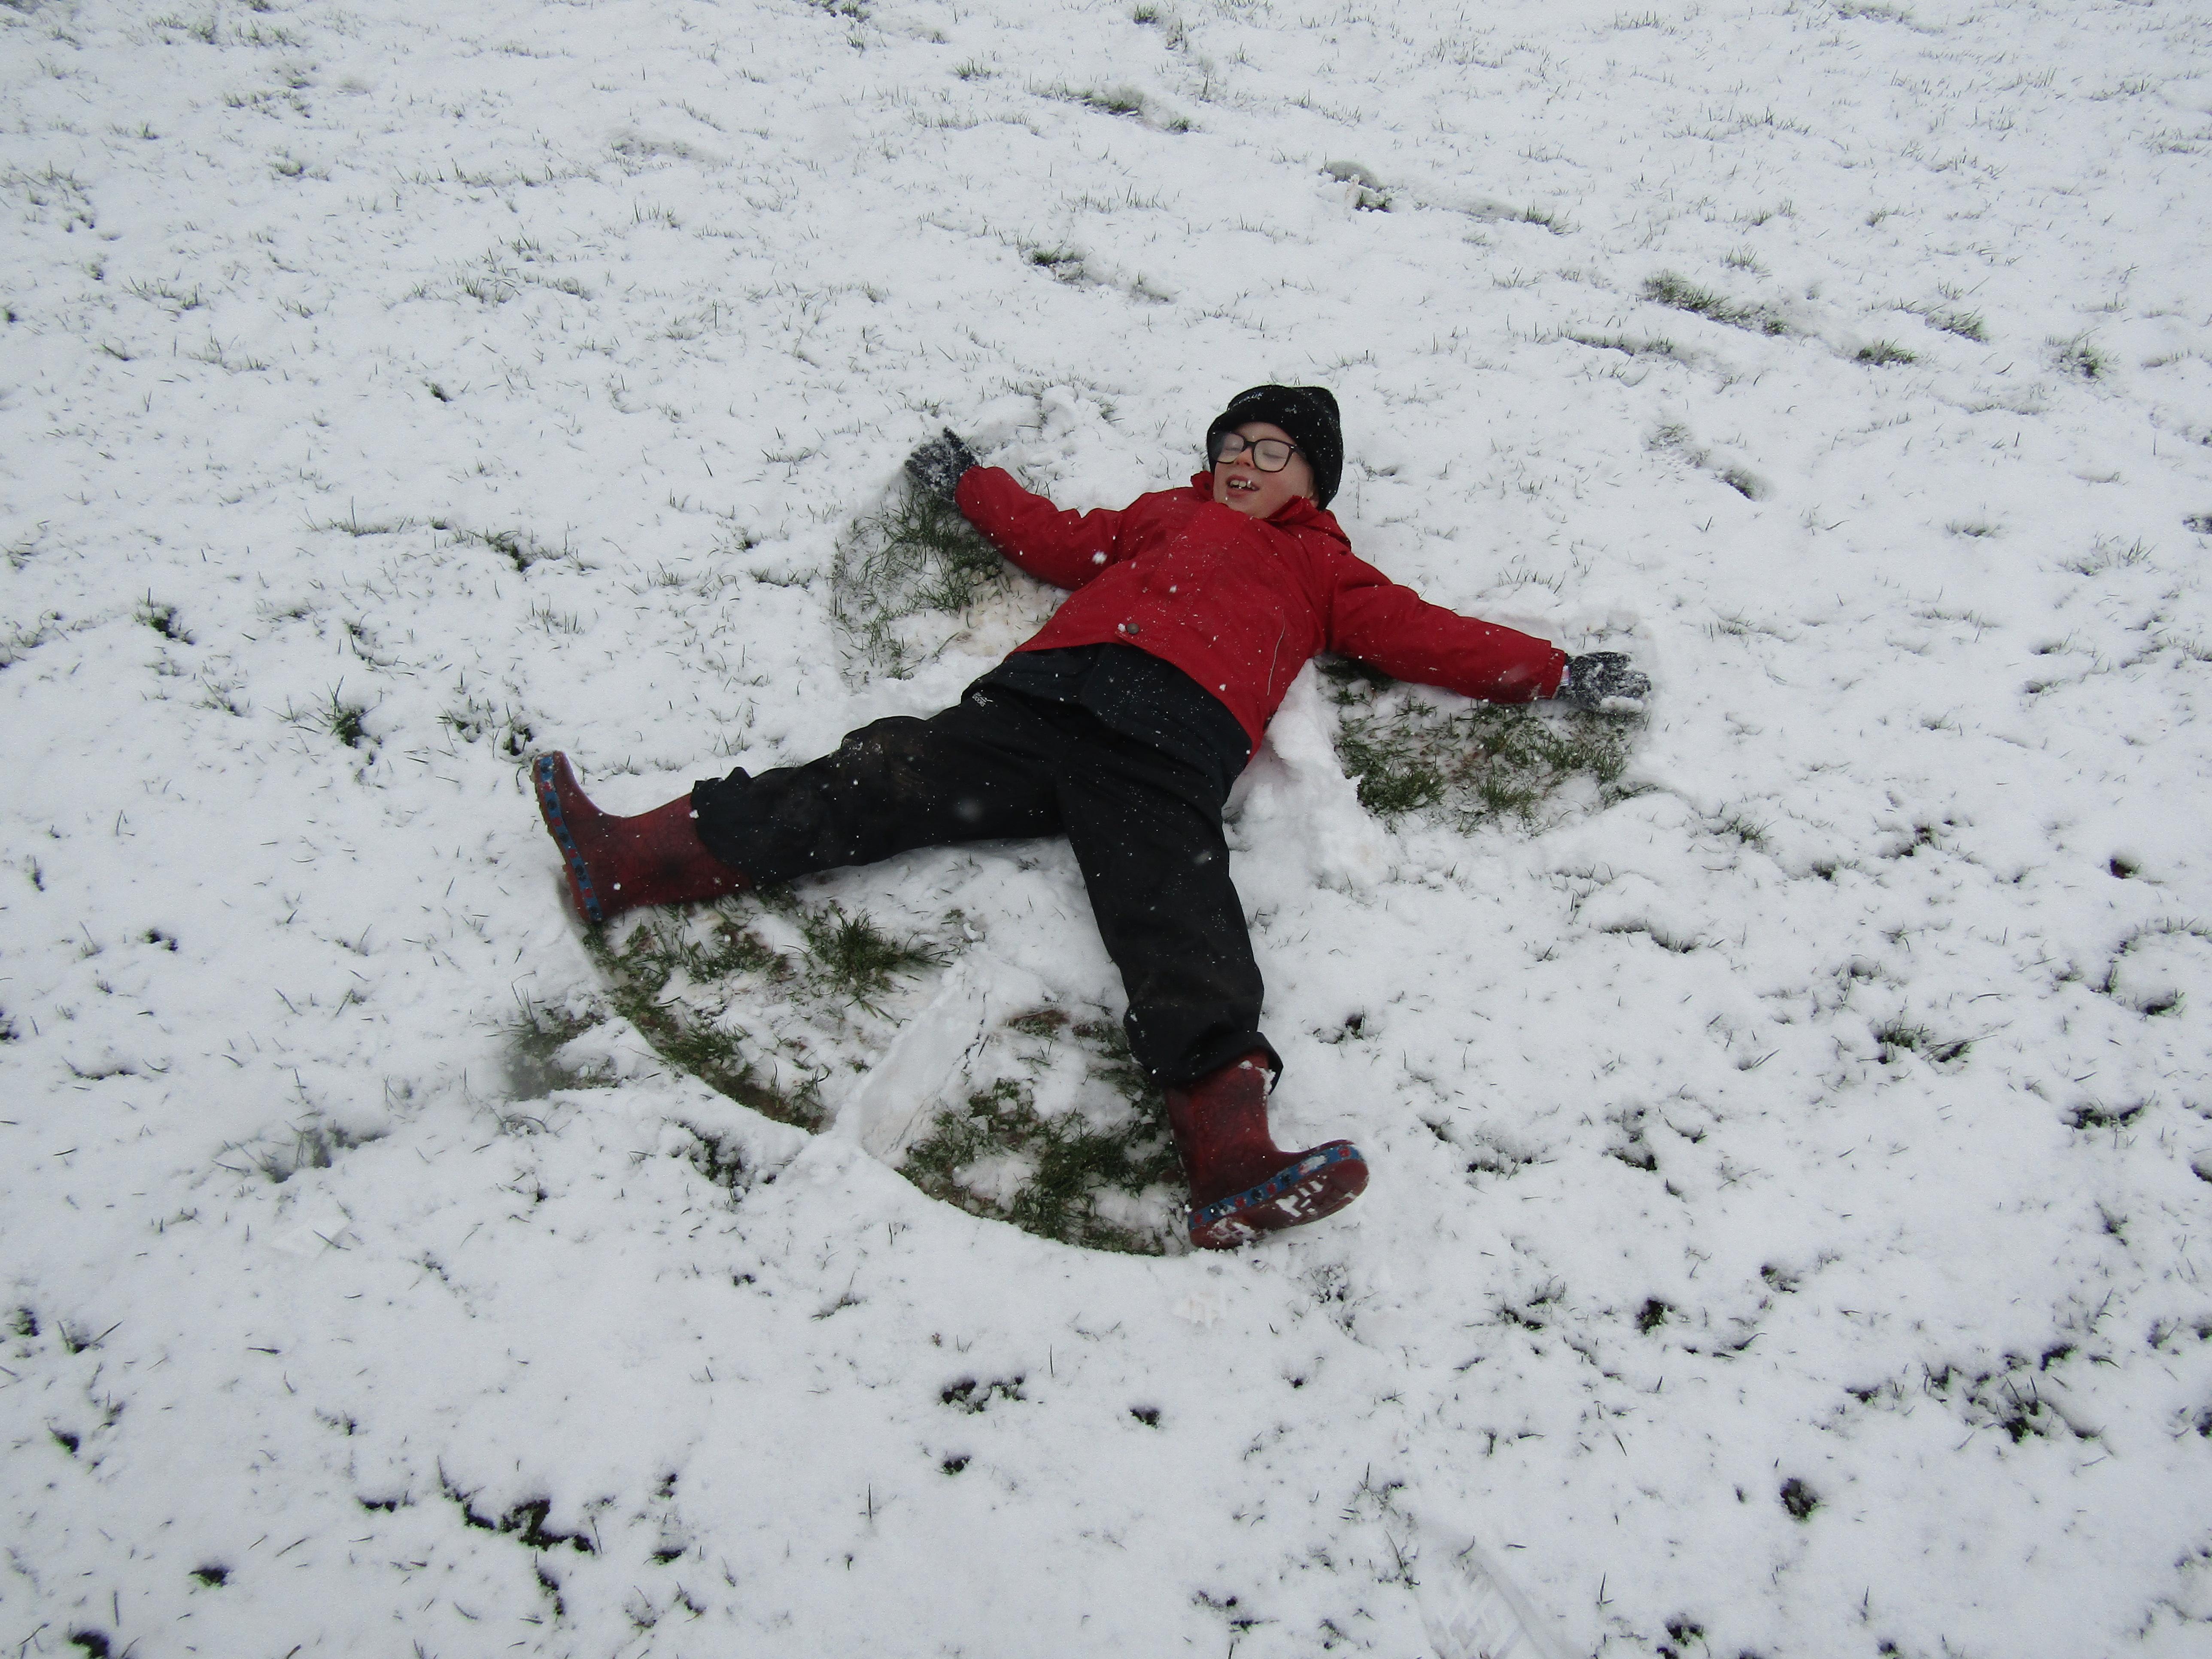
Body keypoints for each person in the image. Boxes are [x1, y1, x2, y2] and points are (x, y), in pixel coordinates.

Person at [532, 386, 1649, 1249]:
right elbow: (1053, 538)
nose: (1243, 462)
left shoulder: (1323, 571)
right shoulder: (1162, 517)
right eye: (1232, 445)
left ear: (1314, 480)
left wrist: (1555, 672)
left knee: (1181, 920)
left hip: (1165, 752)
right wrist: (972, 485)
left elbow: (1432, 636)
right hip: (1031, 714)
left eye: (1272, 452)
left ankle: (1230, 1154)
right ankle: (635, 856)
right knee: (875, 776)